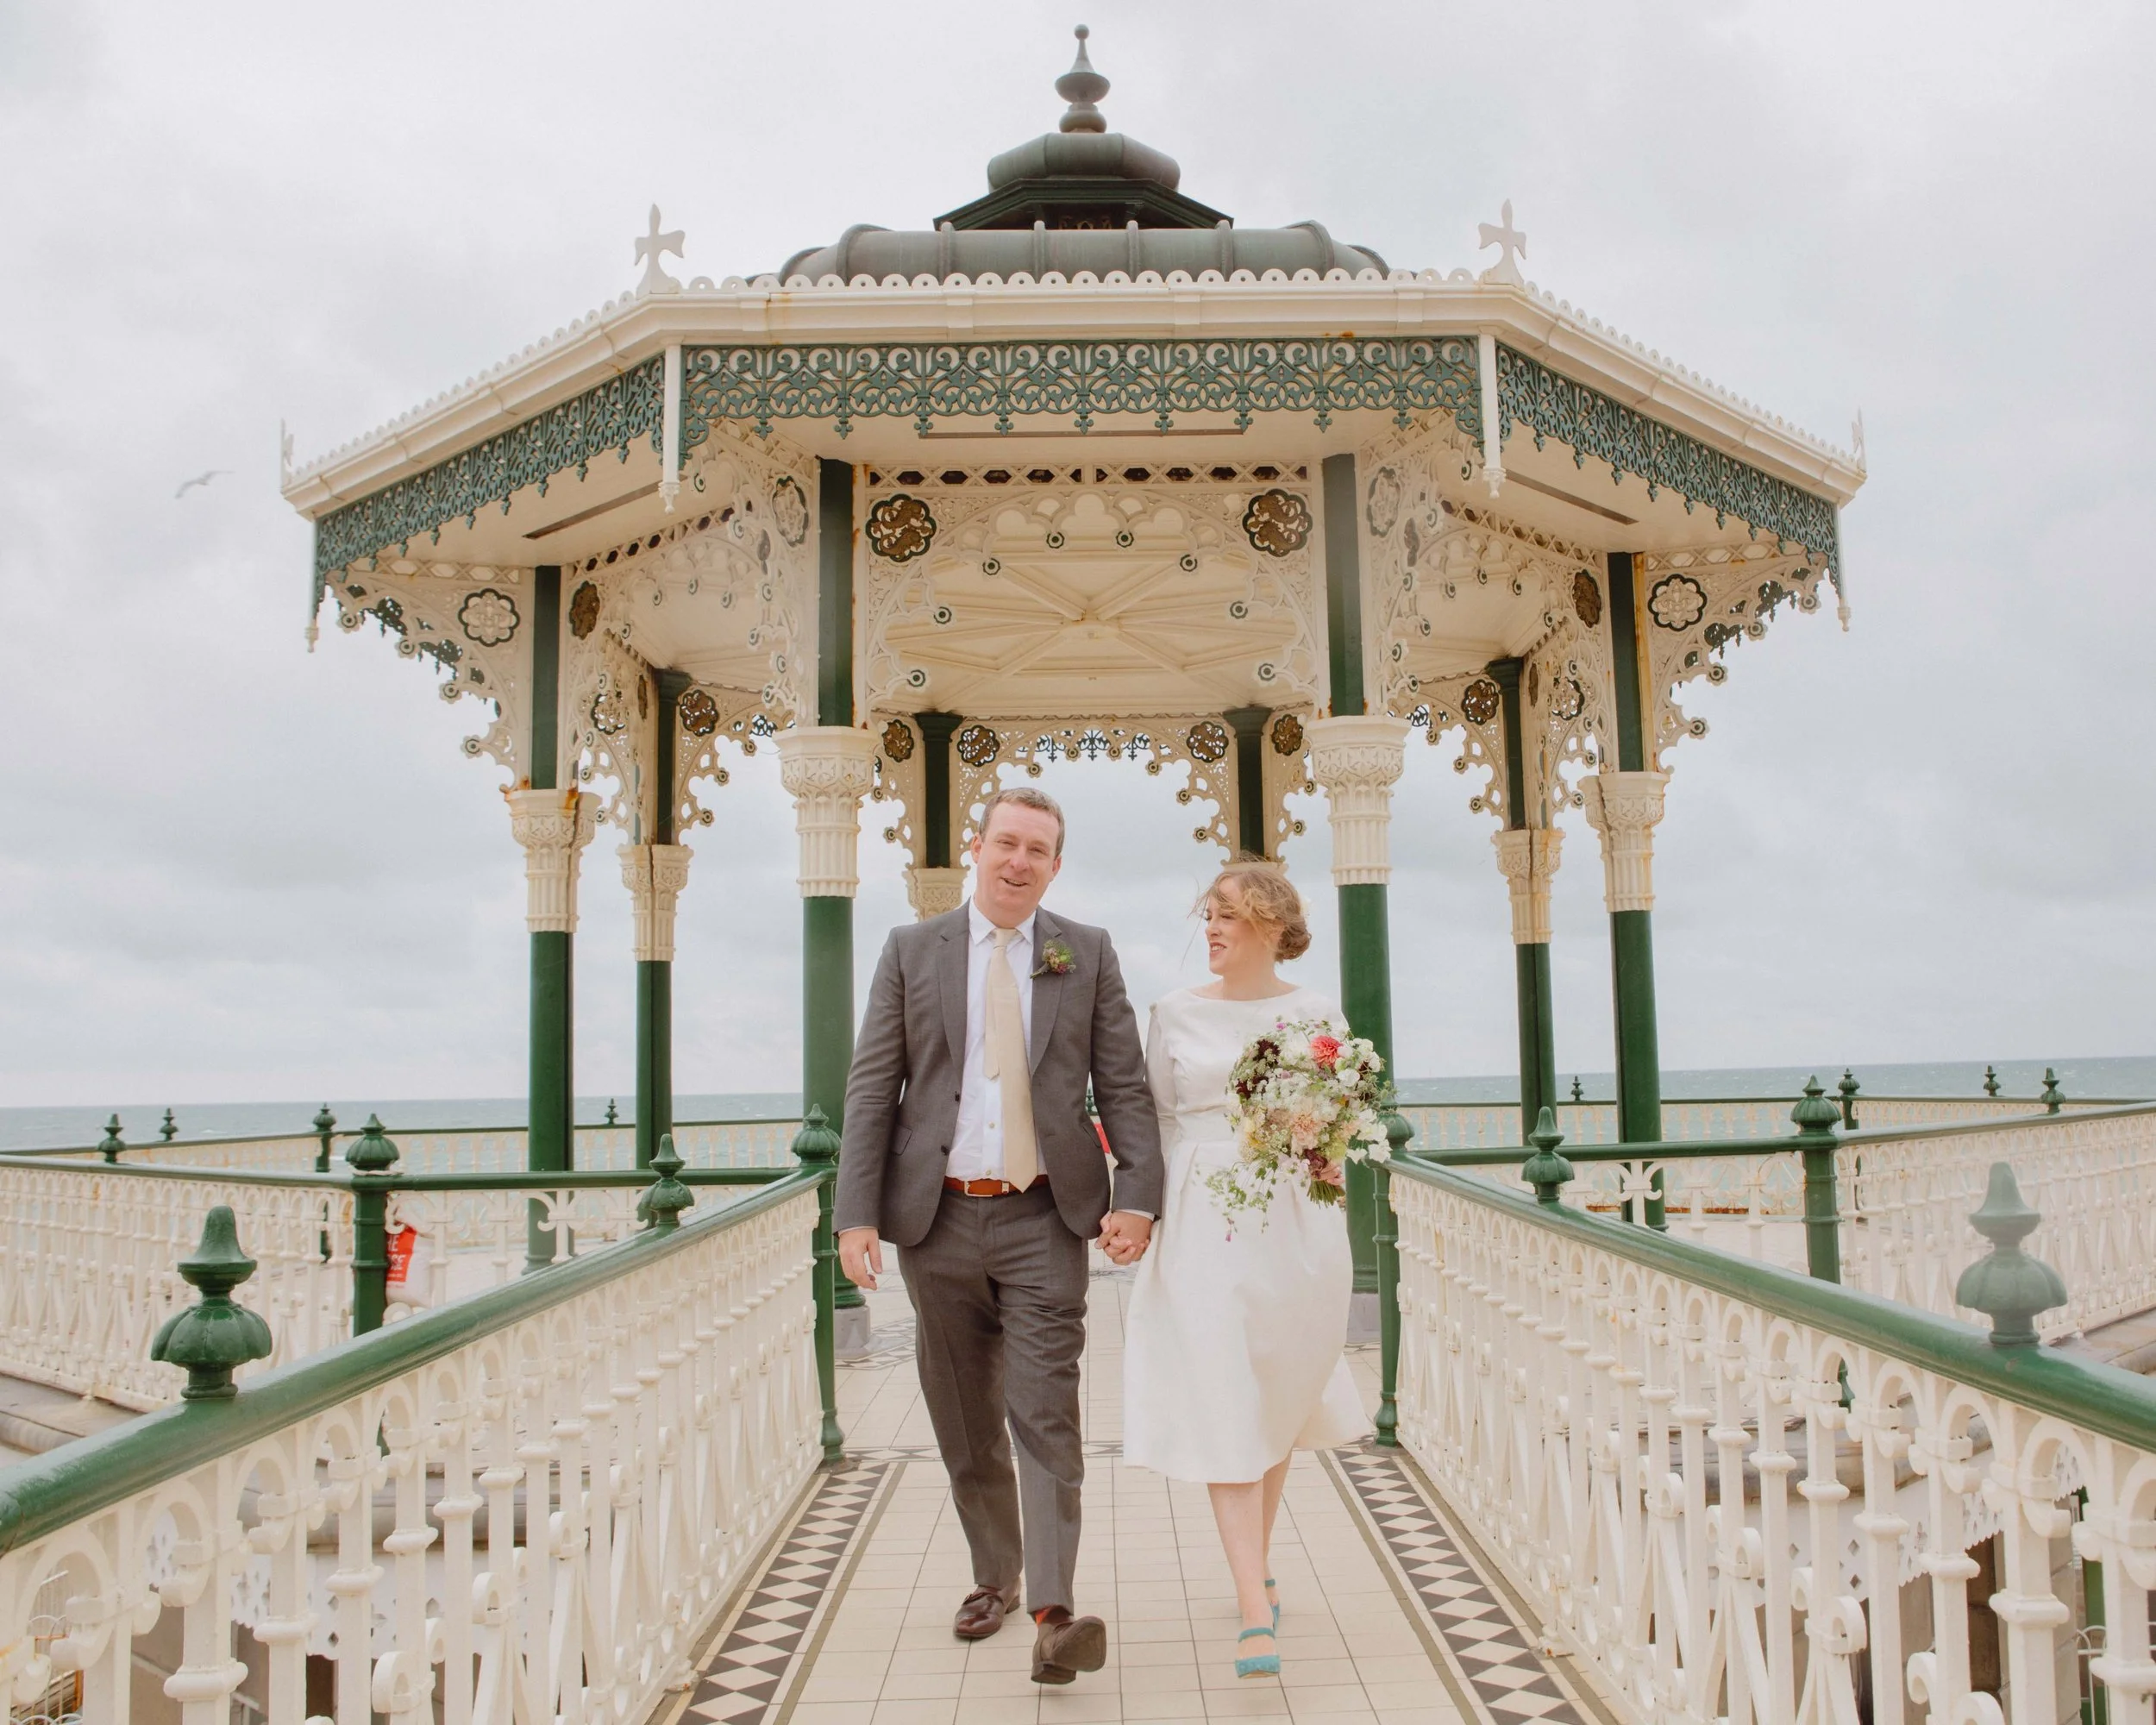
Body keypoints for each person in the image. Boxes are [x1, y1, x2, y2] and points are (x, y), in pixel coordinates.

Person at [836, 785, 1164, 1686]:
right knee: (963, 1420)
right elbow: (874, 1086)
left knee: (1044, 1410)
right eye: (1006, 843)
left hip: (1041, 1217)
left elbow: (1124, 1085)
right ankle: (995, 1575)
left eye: (1038, 849)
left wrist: (1138, 1193)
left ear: (1055, 866)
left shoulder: (1083, 952)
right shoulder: (912, 950)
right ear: (976, 848)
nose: (1019, 860)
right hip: (931, 1219)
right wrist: (853, 1213)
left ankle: (1055, 1611)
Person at [1122, 859, 1369, 1680]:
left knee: (1274, 1388)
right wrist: (1143, 1216)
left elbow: (1335, 1124)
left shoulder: (1314, 1011)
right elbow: (1154, 1121)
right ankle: (1252, 1602)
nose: (1212, 929)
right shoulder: (1172, 1013)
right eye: (1208, 914)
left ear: (1269, 922)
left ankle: (1254, 1561)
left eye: (1228, 914)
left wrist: (1322, 1155)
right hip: (1200, 1218)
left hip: (1295, 1219)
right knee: (1224, 1389)